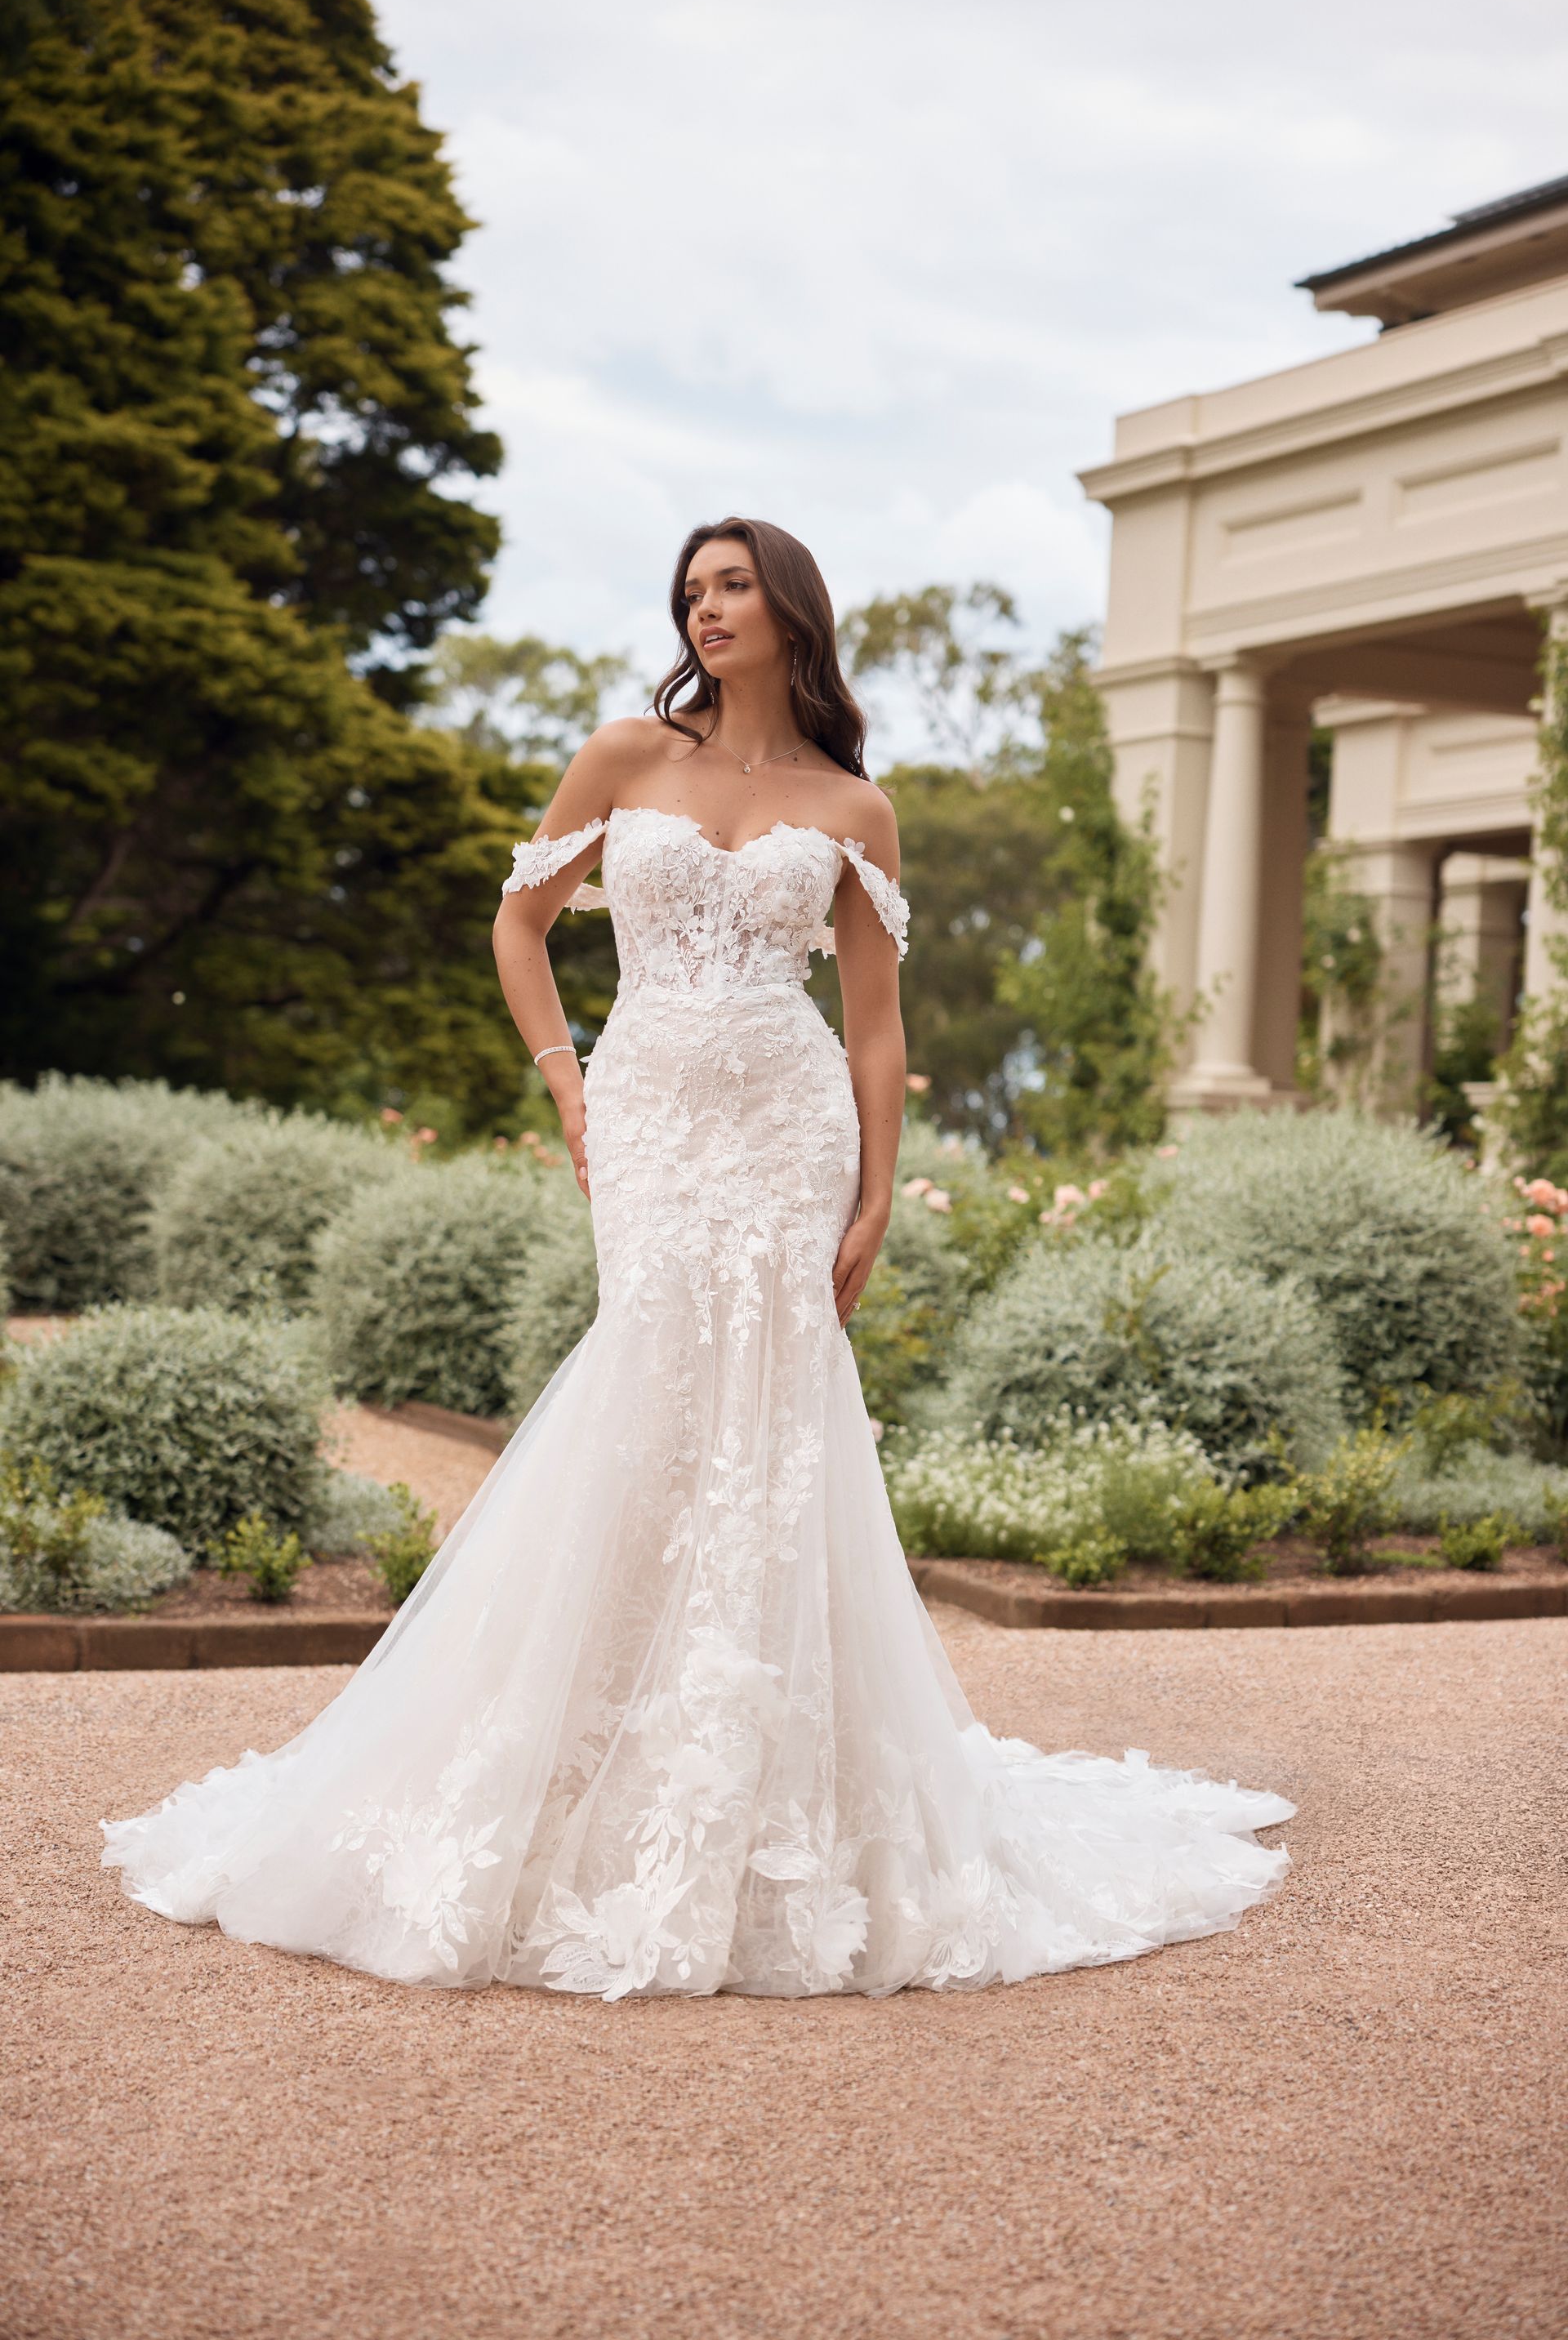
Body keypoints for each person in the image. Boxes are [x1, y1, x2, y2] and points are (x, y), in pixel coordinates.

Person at [102, 515, 1293, 1997]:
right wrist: (568, 1085)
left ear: (791, 606)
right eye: (689, 589)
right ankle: (578, 1752)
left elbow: (873, 1024)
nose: (704, 607)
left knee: (773, 1420)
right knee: (651, 1387)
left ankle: (773, 1793)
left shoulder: (854, 806)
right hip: (648, 1116)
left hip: (788, 1131)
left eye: (731, 585)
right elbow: (521, 921)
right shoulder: (624, 757)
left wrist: (875, 1193)